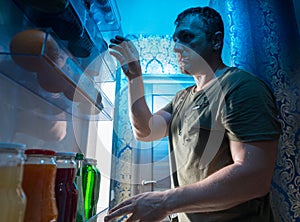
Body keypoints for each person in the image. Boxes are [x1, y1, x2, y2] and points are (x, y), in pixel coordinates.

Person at [105, 6, 281, 222]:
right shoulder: (182, 98)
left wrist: (164, 202)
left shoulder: (241, 88)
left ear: (216, 41)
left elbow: (254, 177)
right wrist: (134, 77)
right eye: (176, 40)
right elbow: (145, 130)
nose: (177, 48)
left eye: (187, 37)